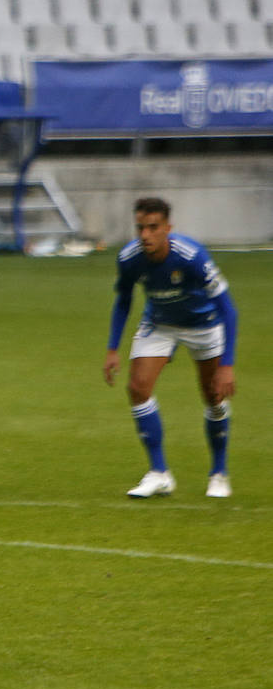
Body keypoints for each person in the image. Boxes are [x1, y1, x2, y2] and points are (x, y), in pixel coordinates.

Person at [104, 198, 238, 499]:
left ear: (168, 228)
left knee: (214, 397)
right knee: (138, 388)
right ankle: (159, 473)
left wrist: (227, 365)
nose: (145, 235)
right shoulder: (129, 258)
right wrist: (113, 348)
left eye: (153, 228)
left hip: (204, 325)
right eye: (140, 228)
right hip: (160, 322)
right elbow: (124, 300)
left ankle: (218, 473)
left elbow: (228, 310)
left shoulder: (192, 257)